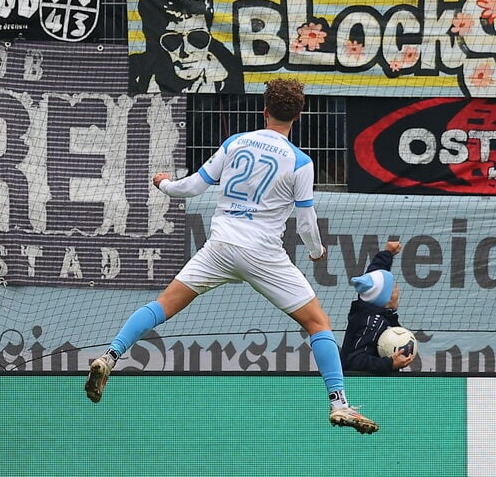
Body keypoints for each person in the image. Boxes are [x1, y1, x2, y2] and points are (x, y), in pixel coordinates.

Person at [84, 77, 379, 435]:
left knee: (163, 305)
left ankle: (110, 355)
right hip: (263, 255)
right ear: (299, 115)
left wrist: (163, 182)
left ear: (264, 110)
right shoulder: (300, 162)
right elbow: (306, 223)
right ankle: (338, 403)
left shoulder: (235, 142)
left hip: (220, 247)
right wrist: (317, 252)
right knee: (318, 324)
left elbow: (190, 188)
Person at [129, 0, 243, 93]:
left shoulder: (229, 75)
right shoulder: (134, 72)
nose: (186, 52)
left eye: (197, 38)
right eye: (172, 40)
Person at [341, 241, 416, 374]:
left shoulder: (367, 304)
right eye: (394, 288)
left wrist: (387, 253)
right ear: (387, 298)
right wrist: (390, 363)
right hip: (360, 385)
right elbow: (354, 360)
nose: (398, 290)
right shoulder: (374, 322)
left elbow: (375, 276)